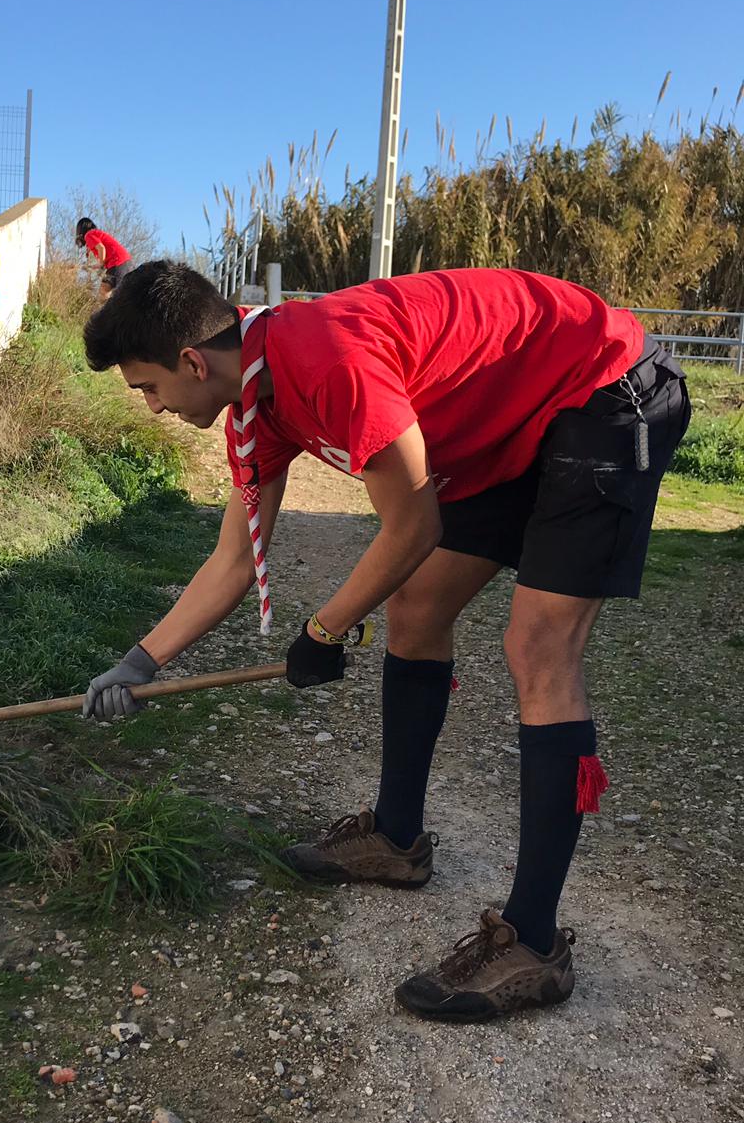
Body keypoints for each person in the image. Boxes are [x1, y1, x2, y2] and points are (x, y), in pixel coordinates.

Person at [80, 260, 689, 1022]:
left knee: (538, 647)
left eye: (148, 388)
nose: (151, 407)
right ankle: (397, 841)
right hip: (512, 423)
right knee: (416, 609)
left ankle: (534, 942)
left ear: (194, 362)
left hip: (604, 385)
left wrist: (324, 629)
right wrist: (138, 664)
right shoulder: (256, 405)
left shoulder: (327, 361)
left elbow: (414, 524)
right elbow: (233, 560)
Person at [76, 216, 132, 300]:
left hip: (118, 262)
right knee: (110, 292)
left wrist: (101, 263)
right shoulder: (96, 233)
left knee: (104, 291)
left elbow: (101, 248)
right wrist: (98, 266)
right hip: (122, 262)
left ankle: (109, 312)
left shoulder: (88, 235)